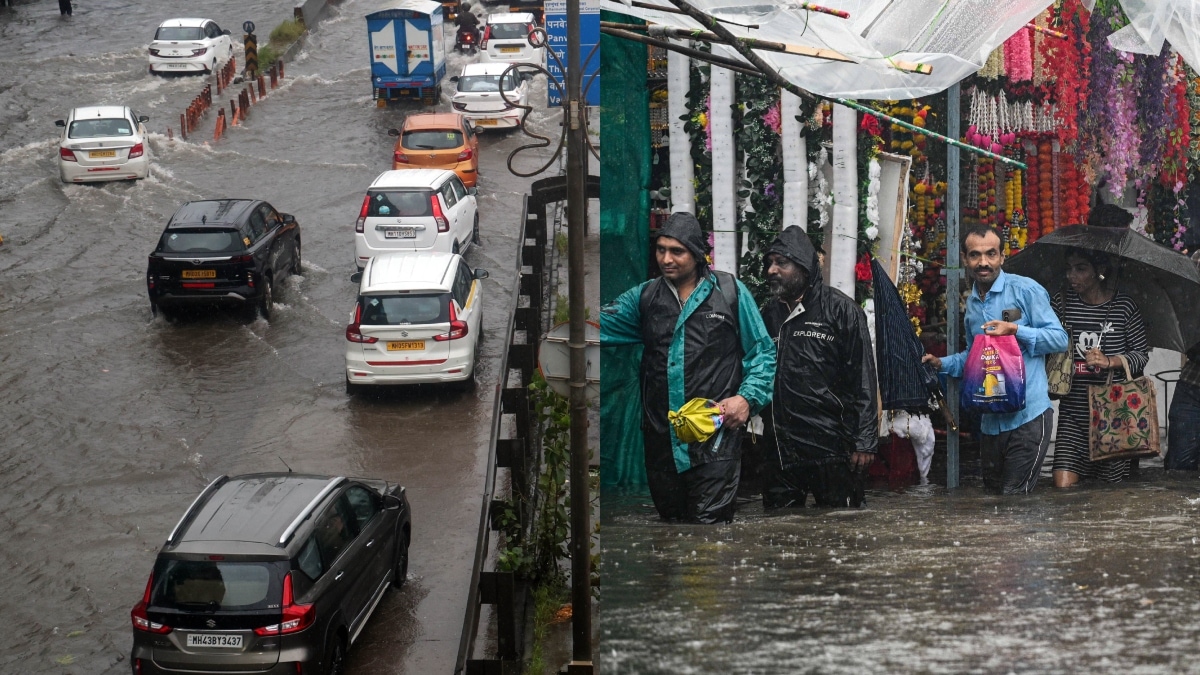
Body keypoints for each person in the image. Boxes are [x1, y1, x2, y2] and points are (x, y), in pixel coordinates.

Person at [600, 212, 775, 523]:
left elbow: (762, 352)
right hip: (661, 441)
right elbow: (594, 326)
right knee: (671, 531)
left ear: (697, 254)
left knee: (708, 534)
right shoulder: (645, 297)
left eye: (676, 251)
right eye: (661, 250)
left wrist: (746, 399)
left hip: (715, 438)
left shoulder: (730, 293)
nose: (666, 259)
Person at [923, 223, 1068, 494]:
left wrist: (1015, 330)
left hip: (1028, 416)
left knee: (1014, 498)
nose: (983, 262)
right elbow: (974, 358)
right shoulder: (972, 305)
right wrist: (941, 363)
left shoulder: (1025, 290)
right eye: (975, 255)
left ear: (1002, 256)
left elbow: (1059, 339)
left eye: (990, 254)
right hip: (990, 422)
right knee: (993, 499)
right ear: (965, 259)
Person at [759, 226, 879, 508]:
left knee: (841, 527)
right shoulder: (768, 314)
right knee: (780, 528)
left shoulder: (842, 310)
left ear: (804, 267)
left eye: (781, 263)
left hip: (833, 448)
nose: (772, 270)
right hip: (781, 449)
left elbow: (863, 378)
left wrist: (864, 441)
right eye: (770, 263)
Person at [1050, 249, 1150, 485]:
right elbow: (1046, 341)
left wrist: (1109, 361)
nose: (1072, 276)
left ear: (1100, 271)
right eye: (1069, 269)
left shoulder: (1123, 306)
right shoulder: (1061, 303)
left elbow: (1141, 355)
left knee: (1107, 491)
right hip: (1073, 412)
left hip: (1114, 413)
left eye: (1081, 269)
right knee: (1062, 487)